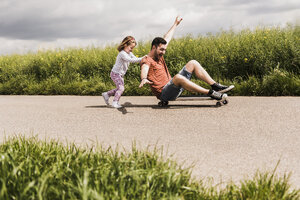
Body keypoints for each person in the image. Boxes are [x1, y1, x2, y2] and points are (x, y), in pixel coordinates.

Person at [139, 16, 233, 102]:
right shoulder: (146, 59)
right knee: (177, 77)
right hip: (164, 94)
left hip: (173, 87)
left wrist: (175, 24)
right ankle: (211, 93)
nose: (163, 52)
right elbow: (144, 68)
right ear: (154, 48)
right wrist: (143, 78)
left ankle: (215, 86)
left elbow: (167, 37)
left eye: (165, 50)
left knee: (193, 63)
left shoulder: (159, 54)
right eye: (161, 50)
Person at [102, 36, 146, 108]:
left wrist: (143, 60)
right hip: (115, 73)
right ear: (125, 45)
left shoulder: (129, 53)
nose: (132, 50)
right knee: (121, 88)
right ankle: (115, 102)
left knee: (119, 88)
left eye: (133, 48)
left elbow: (135, 59)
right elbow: (130, 60)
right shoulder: (122, 53)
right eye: (131, 47)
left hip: (120, 75)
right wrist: (142, 58)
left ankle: (107, 94)